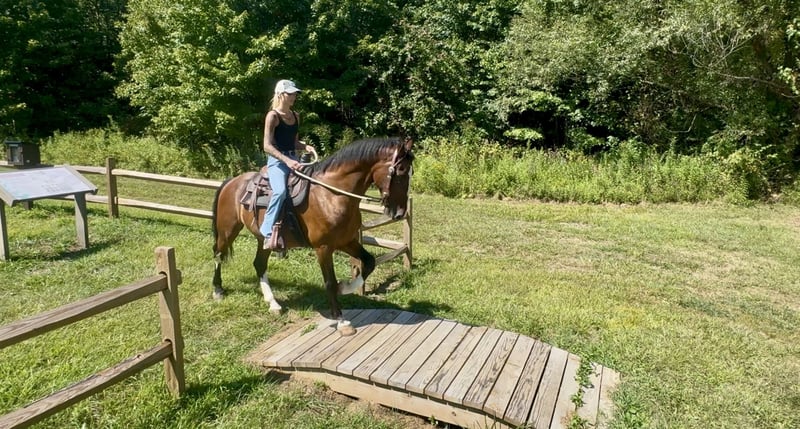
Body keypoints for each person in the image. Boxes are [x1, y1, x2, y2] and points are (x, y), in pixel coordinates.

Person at [259, 79, 317, 249]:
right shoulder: (273, 116)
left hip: (294, 160)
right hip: (277, 162)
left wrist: (305, 146)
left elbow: (294, 142)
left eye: (294, 94)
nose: (293, 97)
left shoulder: (296, 116)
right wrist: (287, 161)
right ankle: (266, 229)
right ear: (280, 94)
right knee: (280, 192)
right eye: (290, 93)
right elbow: (267, 146)